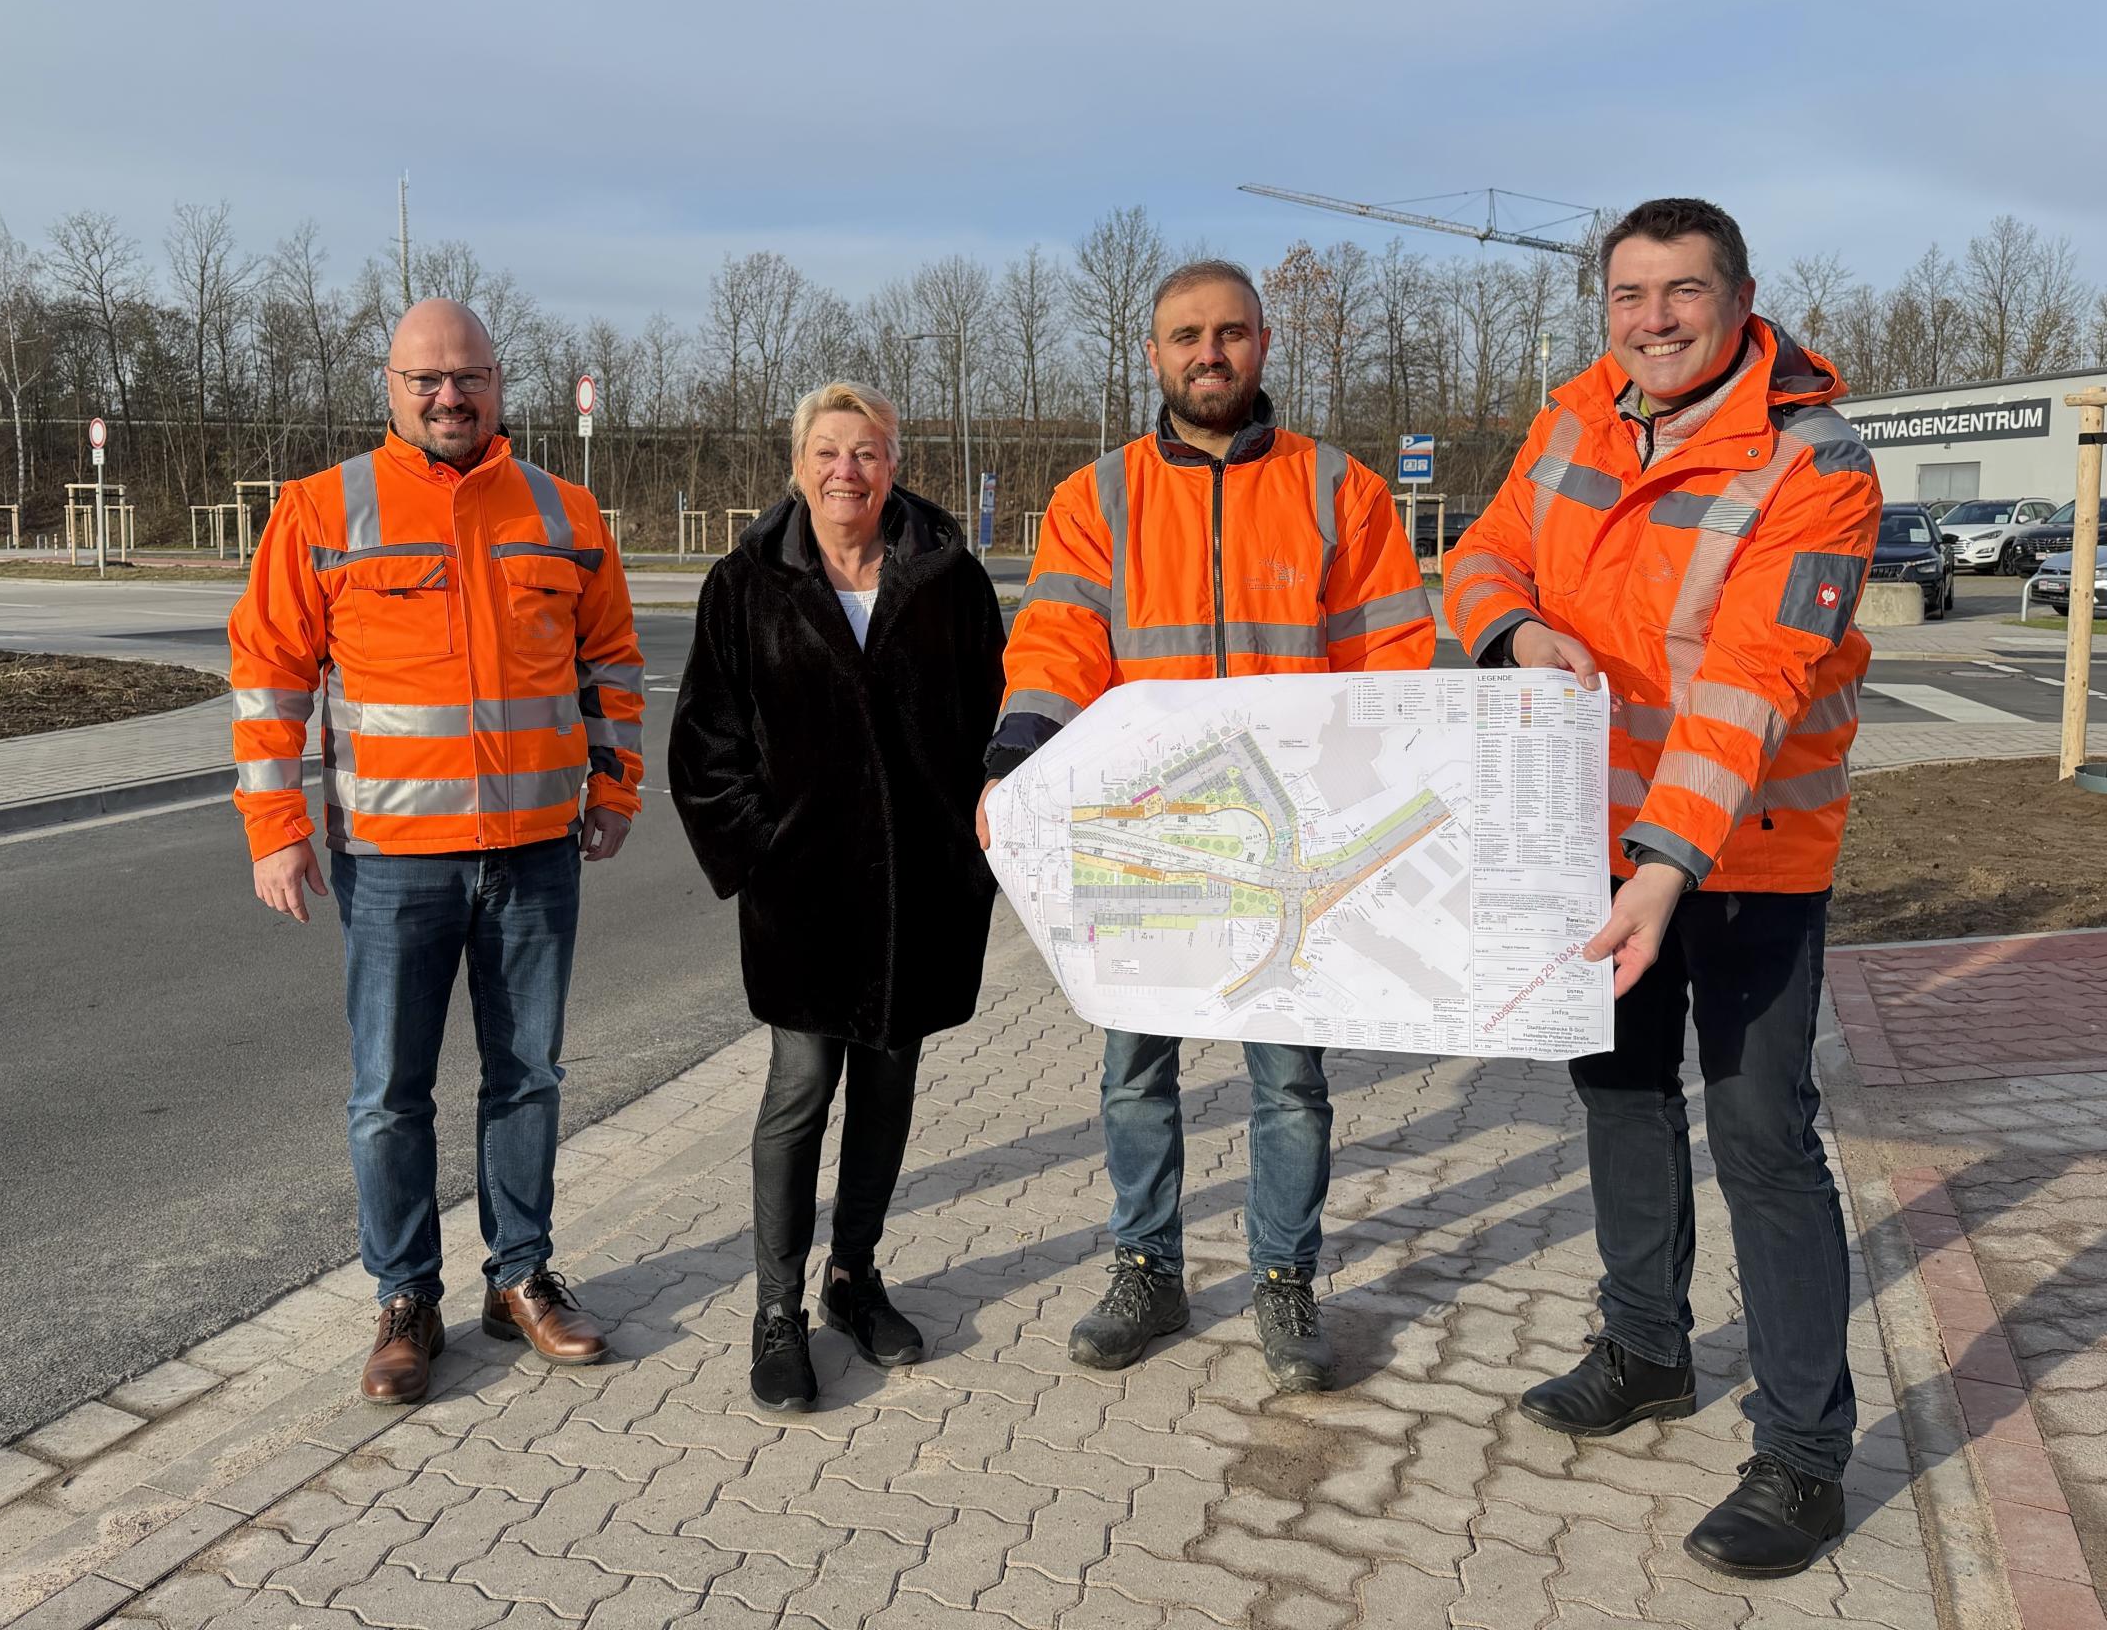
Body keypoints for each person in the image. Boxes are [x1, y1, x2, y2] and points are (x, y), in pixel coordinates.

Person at [1444, 198, 1880, 1579]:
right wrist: (1511, 627)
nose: (1653, 321)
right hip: (1588, 841)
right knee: (1621, 1095)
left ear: (1743, 297)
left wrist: (1668, 864)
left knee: (1761, 1137)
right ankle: (1645, 1349)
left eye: (1682, 292)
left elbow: (1755, 678)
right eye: (1629, 296)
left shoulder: (1816, 462)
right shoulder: (1575, 416)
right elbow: (1485, 553)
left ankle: (1805, 1457)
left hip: (1740, 856)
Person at [981, 259, 1435, 1389]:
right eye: (1186, 335)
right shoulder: (1099, 498)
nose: (1209, 354)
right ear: (1153, 353)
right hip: (1147, 844)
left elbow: (1395, 663)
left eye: (1230, 332)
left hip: (1292, 844)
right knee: (1136, 1073)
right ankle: (1149, 1269)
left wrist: (1375, 796)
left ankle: (1284, 1282)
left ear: (1264, 344)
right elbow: (1054, 648)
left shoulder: (1342, 491)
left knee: (1289, 1081)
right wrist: (1012, 765)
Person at [229, 298, 646, 1405]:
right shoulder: (324, 510)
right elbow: (270, 676)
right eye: (426, 380)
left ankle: (519, 1280)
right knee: (387, 1093)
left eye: (468, 377)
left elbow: (610, 659)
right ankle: (404, 1299)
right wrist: (274, 831)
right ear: (390, 387)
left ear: (500, 385)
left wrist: (616, 788)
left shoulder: (563, 510)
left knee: (528, 1079)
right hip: (395, 860)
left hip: (534, 855)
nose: (449, 397)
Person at [670, 380, 1006, 1412]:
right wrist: (762, 850)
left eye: (865, 451)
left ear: (892, 463)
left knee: (890, 1081)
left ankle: (851, 1279)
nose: (845, 471)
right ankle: (776, 1307)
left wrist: (977, 836)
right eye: (827, 451)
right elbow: (704, 748)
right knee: (801, 1084)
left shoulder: (948, 577)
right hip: (801, 893)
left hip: (917, 887)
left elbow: (995, 712)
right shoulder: (744, 583)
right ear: (798, 464)